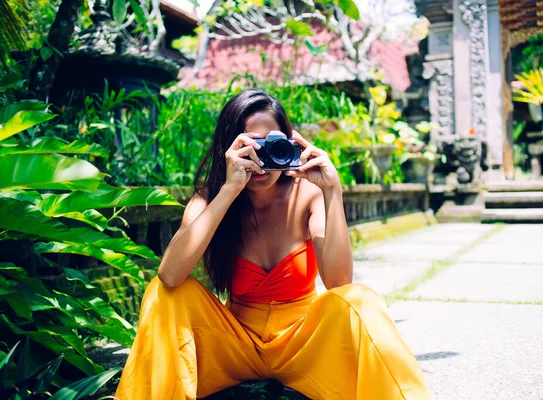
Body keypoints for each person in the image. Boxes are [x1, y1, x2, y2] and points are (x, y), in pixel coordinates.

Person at [115, 89, 431, 400]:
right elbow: (169, 275)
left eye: (272, 143)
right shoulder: (210, 200)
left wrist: (332, 191)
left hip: (303, 346)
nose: (262, 157)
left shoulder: (306, 195)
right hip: (234, 346)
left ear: (289, 143)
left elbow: (339, 283)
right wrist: (228, 190)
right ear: (230, 148)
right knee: (163, 292)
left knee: (361, 299)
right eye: (251, 145)